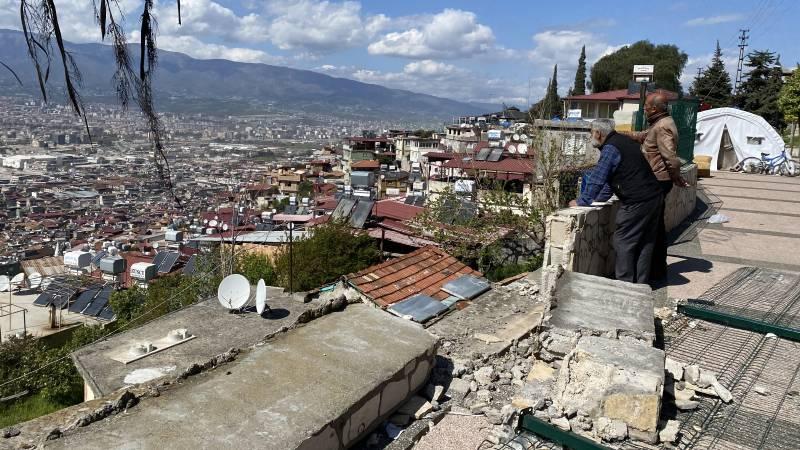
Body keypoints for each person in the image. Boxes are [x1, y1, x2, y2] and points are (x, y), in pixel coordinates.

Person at [569, 119, 662, 284]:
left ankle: (624, 284)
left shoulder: (611, 148)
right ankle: (640, 284)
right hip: (653, 196)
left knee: (623, 241)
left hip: (637, 200)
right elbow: (612, 178)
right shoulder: (622, 141)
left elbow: (598, 177)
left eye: (591, 132)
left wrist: (582, 201)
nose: (591, 136)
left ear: (598, 133)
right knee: (645, 242)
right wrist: (601, 198)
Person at [625, 93, 688, 281]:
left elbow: (670, 157)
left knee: (651, 228)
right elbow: (645, 137)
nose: (643, 109)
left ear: (654, 108)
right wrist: (621, 135)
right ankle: (657, 270)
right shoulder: (660, 122)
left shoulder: (662, 126)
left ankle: (653, 271)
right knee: (657, 226)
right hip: (659, 180)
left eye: (645, 106)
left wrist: (676, 177)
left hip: (658, 181)